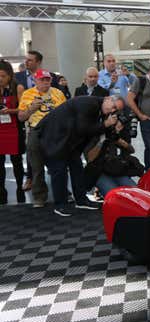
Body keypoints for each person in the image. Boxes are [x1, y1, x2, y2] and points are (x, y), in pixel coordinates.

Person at [38, 95, 124, 216]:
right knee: (59, 172)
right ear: (107, 99)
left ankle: (81, 200)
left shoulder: (101, 108)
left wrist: (111, 127)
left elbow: (89, 130)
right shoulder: (89, 103)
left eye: (116, 110)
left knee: (77, 168)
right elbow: (83, 129)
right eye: (113, 107)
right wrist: (105, 124)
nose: (112, 111)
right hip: (54, 138)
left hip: (69, 142)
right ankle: (60, 205)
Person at [18, 69, 67, 208]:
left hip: (55, 132)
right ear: (35, 80)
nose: (45, 82)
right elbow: (21, 117)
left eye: (47, 80)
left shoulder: (58, 93)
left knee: (58, 165)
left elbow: (67, 113)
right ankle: (39, 197)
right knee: (36, 166)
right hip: (36, 130)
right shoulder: (28, 94)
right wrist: (31, 109)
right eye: (42, 80)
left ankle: (63, 193)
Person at [83, 114, 139, 198]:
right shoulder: (93, 136)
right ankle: (99, 192)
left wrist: (118, 139)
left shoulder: (113, 135)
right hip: (98, 171)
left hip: (113, 169)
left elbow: (131, 150)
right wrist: (101, 141)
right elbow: (90, 159)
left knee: (135, 191)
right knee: (114, 194)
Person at [0, 60, 25, 204]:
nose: (0, 79)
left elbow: (22, 109)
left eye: (3, 76)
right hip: (1, 129)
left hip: (15, 128)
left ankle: (20, 188)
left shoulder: (18, 87)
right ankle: (1, 190)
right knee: (0, 162)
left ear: (9, 75)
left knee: (17, 162)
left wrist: (10, 111)